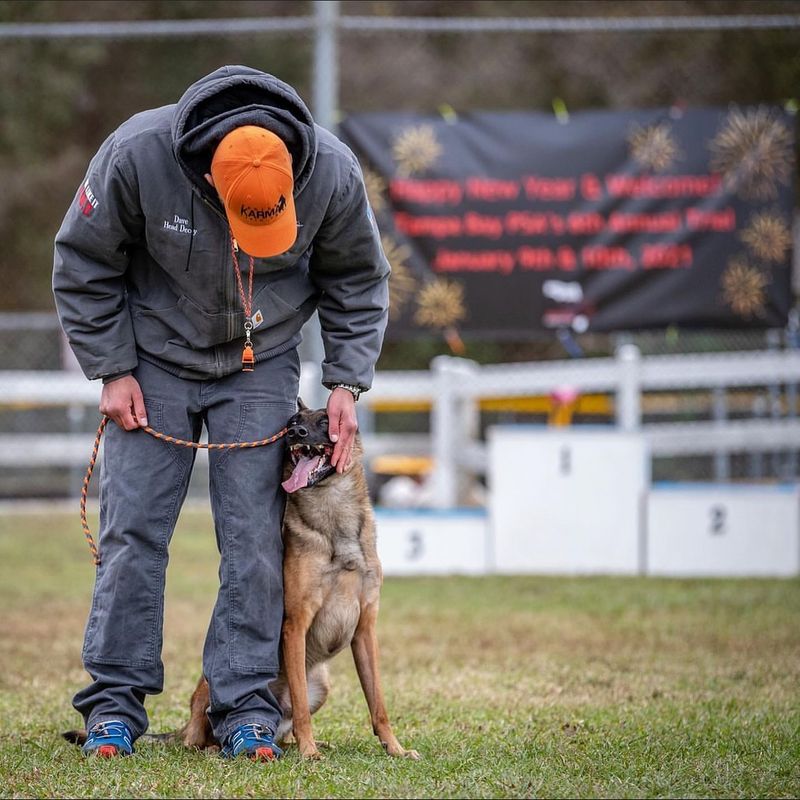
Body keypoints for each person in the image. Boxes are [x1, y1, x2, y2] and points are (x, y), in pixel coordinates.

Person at [52, 65, 389, 761]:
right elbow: (83, 262)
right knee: (133, 535)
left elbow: (357, 276)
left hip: (260, 363)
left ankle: (246, 709)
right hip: (151, 360)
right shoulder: (136, 154)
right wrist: (112, 367)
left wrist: (347, 381)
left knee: (258, 543)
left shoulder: (330, 170)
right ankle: (114, 708)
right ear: (206, 176)